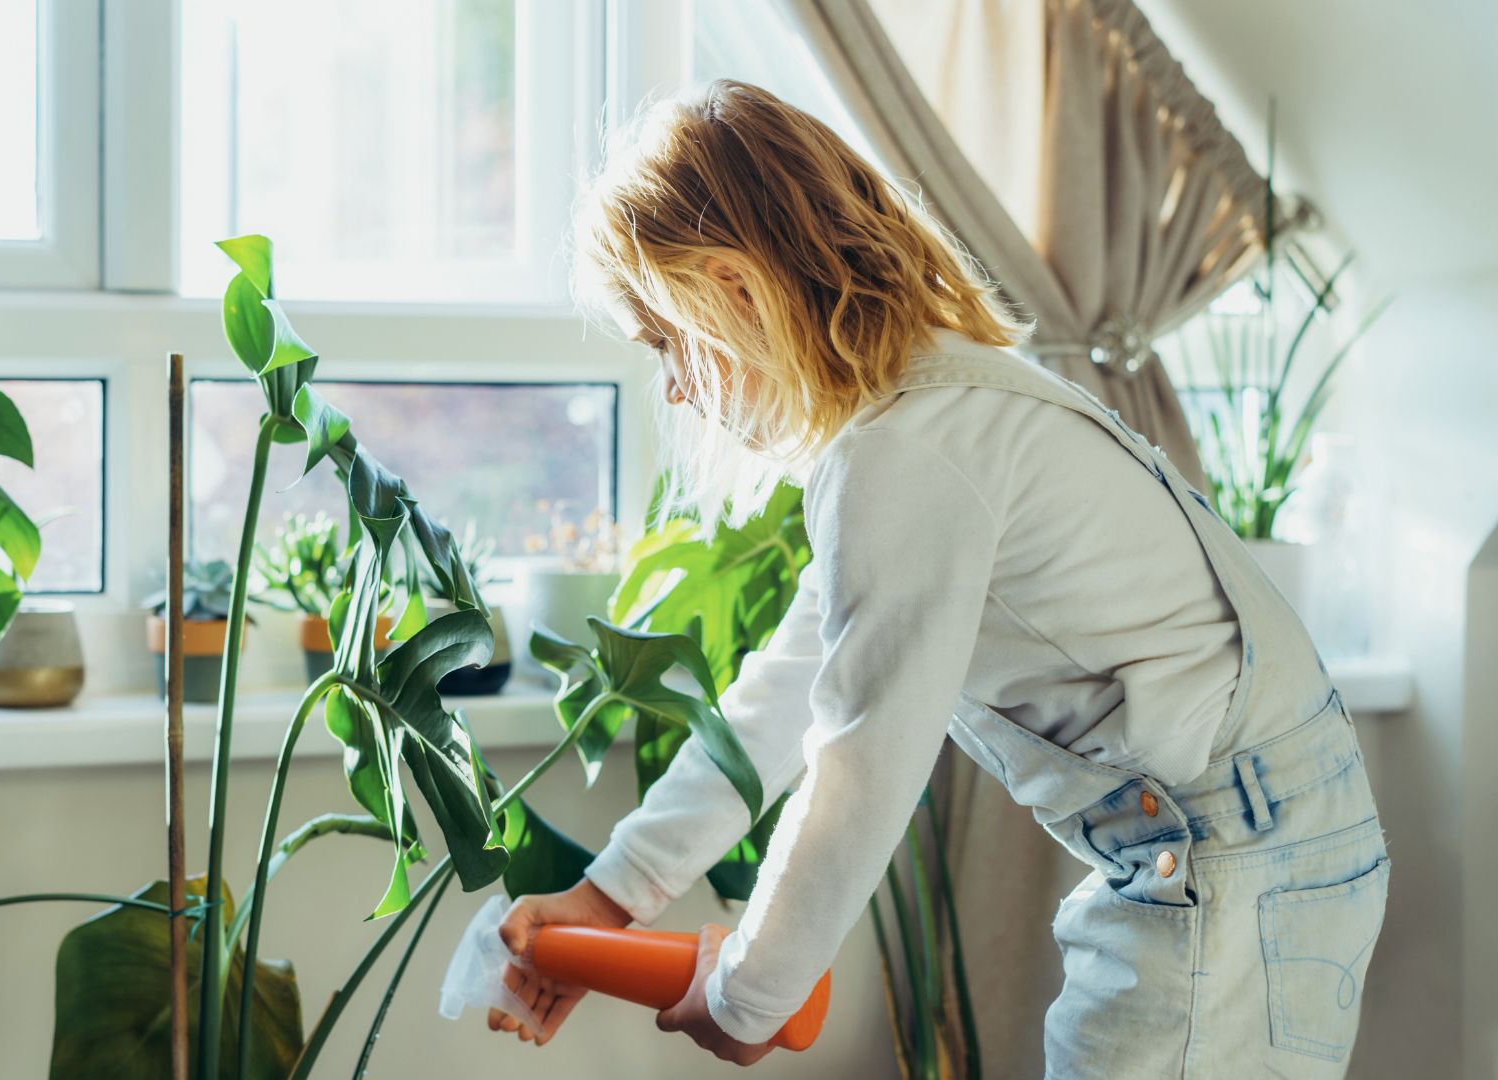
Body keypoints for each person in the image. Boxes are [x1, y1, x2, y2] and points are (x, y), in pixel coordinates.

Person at [488, 80, 1388, 1078]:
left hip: (1225, 865)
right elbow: (784, 695)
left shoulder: (909, 450)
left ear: (735, 289)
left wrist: (749, 997)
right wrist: (610, 894)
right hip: (1251, 844)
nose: (670, 382)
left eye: (664, 339)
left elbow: (860, 764)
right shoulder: (929, 404)